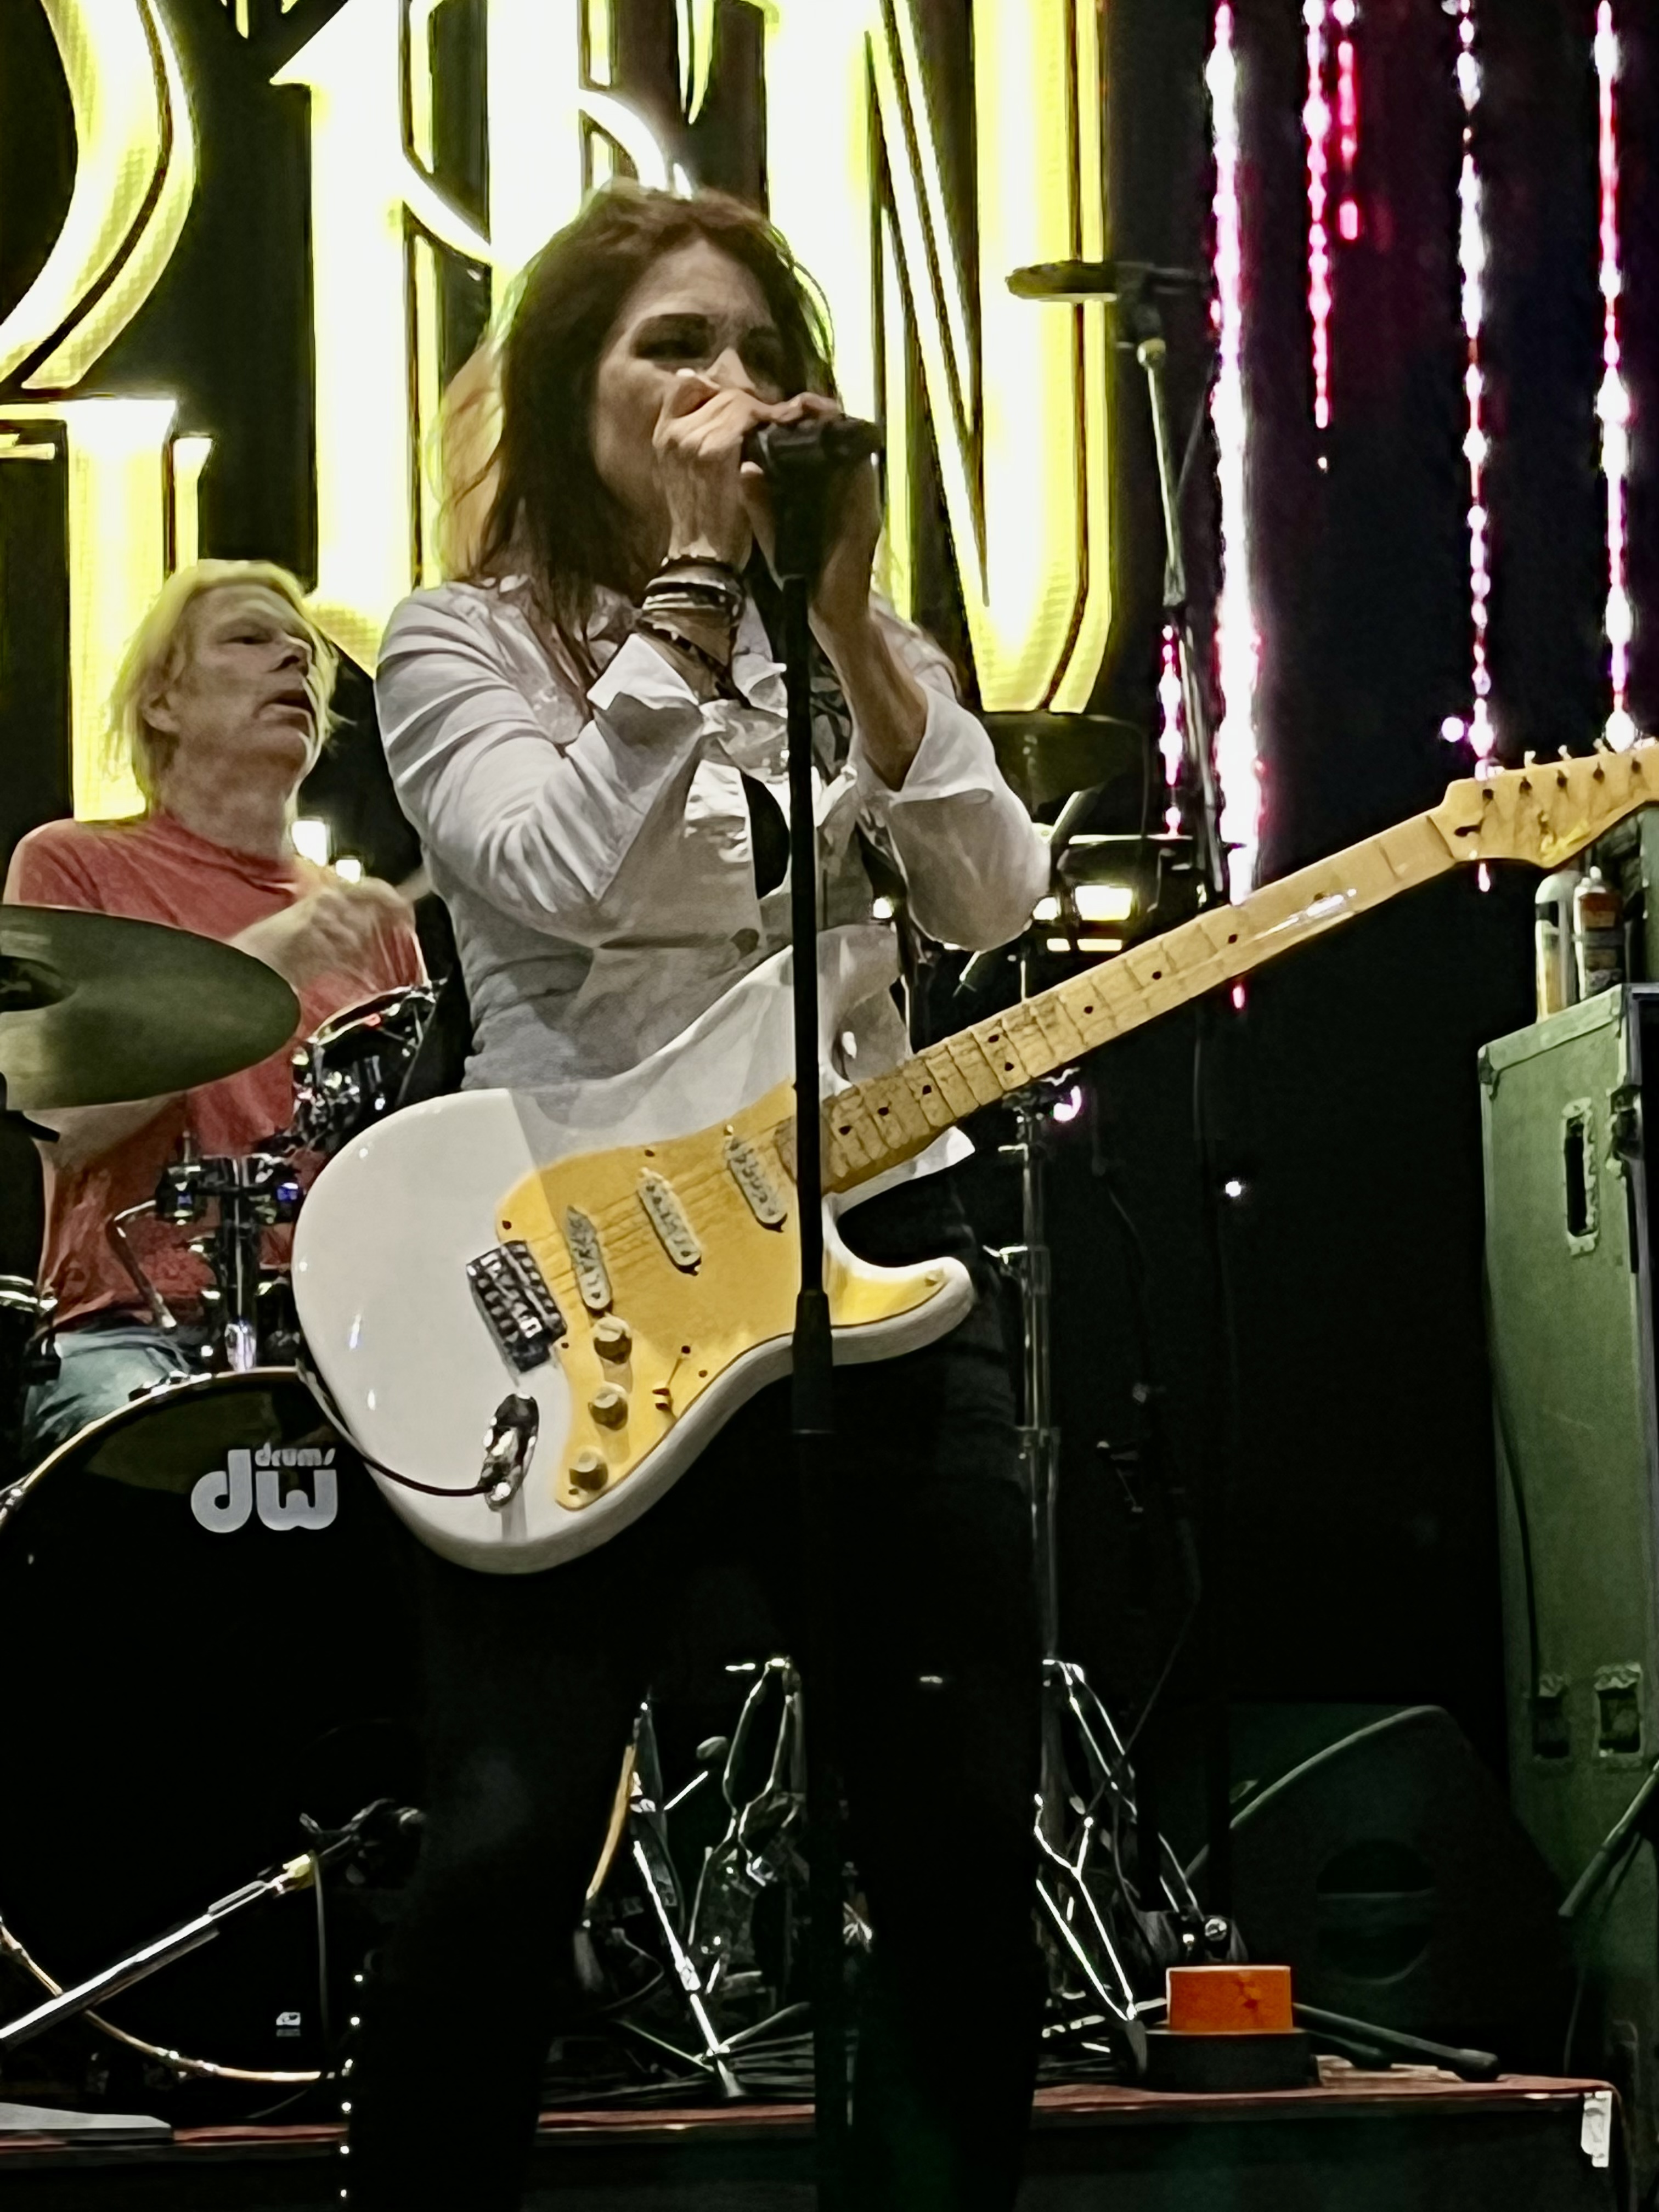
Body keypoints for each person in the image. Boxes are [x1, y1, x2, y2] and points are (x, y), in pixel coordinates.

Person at [353, 183, 1051, 2211]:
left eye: (756, 351)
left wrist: (843, 622)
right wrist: (680, 585)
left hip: (874, 1251)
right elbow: (554, 874)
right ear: (571, 389)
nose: (725, 388)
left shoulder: (848, 651)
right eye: (672, 348)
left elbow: (991, 902)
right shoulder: (457, 644)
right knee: (506, 1847)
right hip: (577, 1280)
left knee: (950, 1849)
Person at [4, 559, 424, 1461]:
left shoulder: (368, 921)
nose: (295, 659)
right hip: (134, 1328)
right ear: (163, 702)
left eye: (304, 650)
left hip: (343, 1336)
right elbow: (62, 1123)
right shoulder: (76, 865)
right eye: (249, 638)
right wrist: (260, 966)